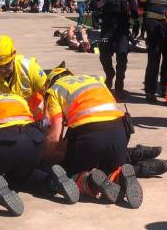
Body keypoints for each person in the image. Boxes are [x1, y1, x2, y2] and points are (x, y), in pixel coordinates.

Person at [0, 72, 73, 215]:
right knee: (17, 178)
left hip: (5, 143)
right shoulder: (15, 97)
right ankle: (50, 182)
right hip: (35, 142)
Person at [43, 67, 142, 208]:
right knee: (107, 166)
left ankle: (87, 181)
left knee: (67, 173)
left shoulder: (55, 90)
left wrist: (46, 154)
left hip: (89, 139)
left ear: (50, 82)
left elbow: (54, 136)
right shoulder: (95, 80)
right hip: (120, 134)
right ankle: (118, 176)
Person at [92, 0, 137, 100]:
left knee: (122, 55)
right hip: (107, 26)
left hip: (123, 27)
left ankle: (119, 86)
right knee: (104, 55)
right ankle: (110, 74)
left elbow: (133, 6)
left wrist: (136, 22)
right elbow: (93, 5)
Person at [0, 35, 47, 121]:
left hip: (34, 115)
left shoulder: (30, 67)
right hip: (4, 119)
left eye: (7, 65)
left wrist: (43, 116)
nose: (3, 70)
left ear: (14, 54)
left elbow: (48, 94)